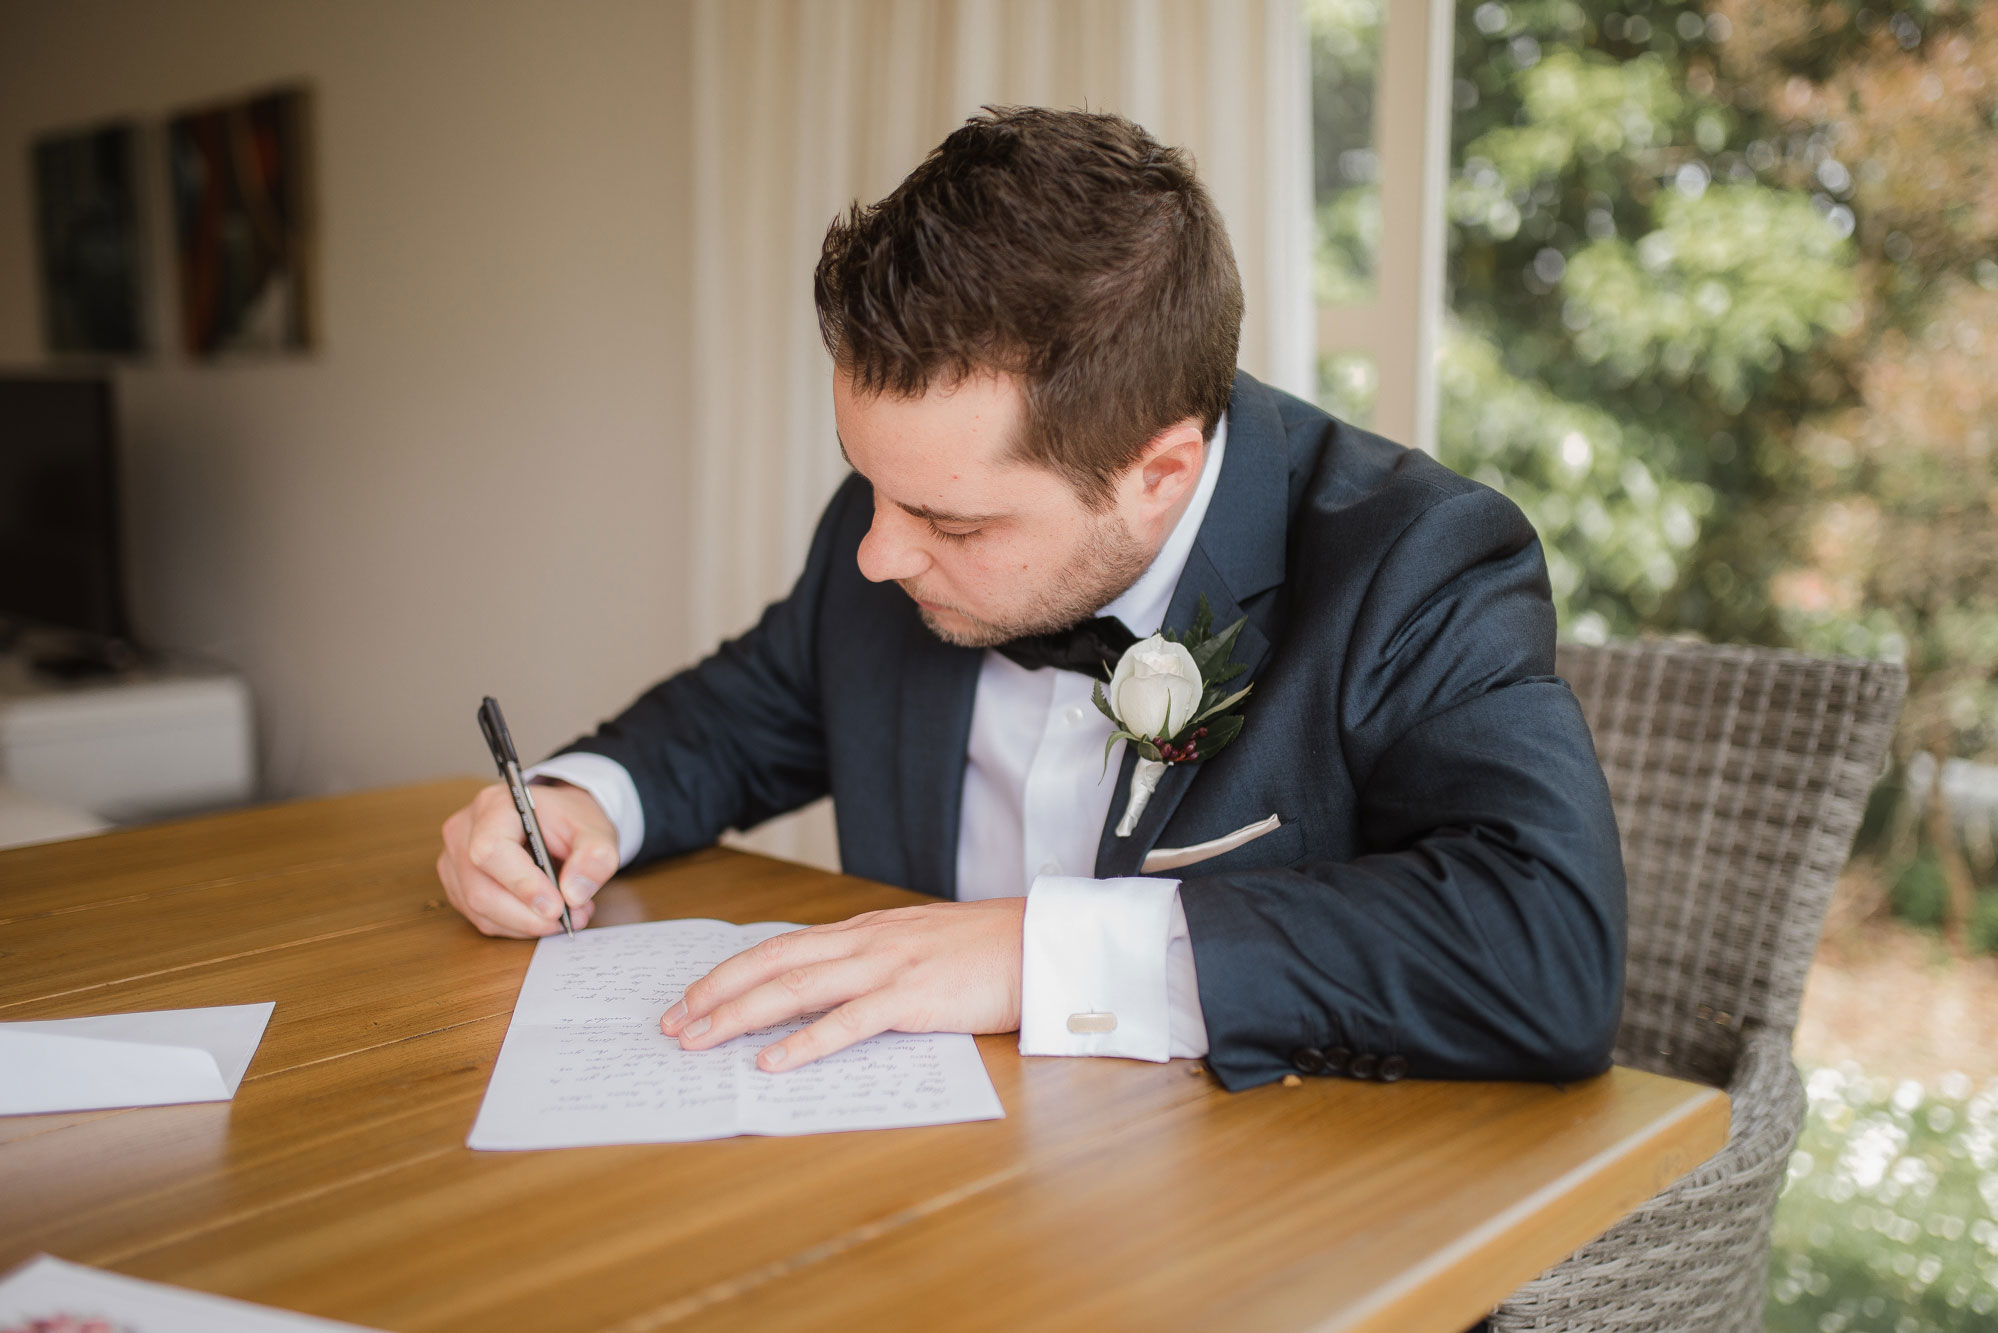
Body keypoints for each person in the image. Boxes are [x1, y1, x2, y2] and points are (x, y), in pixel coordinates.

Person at [435, 106, 1625, 1094]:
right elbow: (752, 709)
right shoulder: (897, 516)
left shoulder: (1411, 560)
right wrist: (576, 803)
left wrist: (1037, 951)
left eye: (953, 523)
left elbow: (1543, 952)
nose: (875, 555)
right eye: (868, 486)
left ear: (1156, 473)